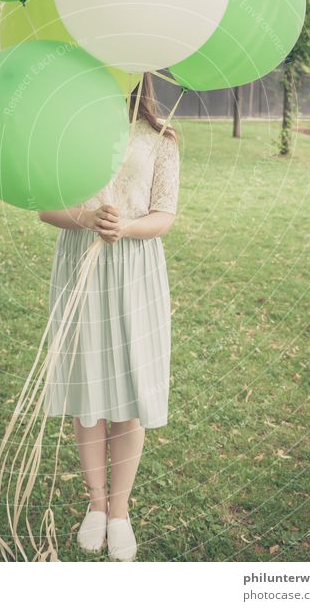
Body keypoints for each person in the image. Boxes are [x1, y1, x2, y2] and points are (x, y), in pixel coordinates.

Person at [38, 73, 180, 561]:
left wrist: (128, 225)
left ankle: (120, 512)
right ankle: (95, 505)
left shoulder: (160, 135)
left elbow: (164, 214)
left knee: (128, 391)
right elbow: (46, 206)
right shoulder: (70, 127)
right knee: (90, 388)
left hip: (134, 267)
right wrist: (87, 218)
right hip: (81, 261)